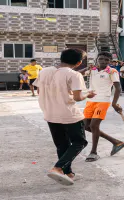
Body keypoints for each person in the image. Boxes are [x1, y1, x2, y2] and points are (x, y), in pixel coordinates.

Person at [33, 49, 96, 185]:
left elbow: (38, 90)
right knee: (80, 142)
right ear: (79, 62)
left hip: (50, 113)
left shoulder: (44, 71)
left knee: (62, 144)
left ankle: (68, 173)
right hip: (69, 115)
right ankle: (58, 168)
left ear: (61, 58)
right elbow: (78, 97)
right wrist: (88, 94)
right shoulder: (74, 75)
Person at [84, 52, 124, 162]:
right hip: (90, 100)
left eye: (106, 60)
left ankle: (93, 152)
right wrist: (87, 67)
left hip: (103, 101)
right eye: (101, 59)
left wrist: (114, 103)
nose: (103, 61)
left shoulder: (112, 72)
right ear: (97, 59)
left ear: (110, 62)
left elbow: (118, 88)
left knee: (94, 125)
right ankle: (116, 142)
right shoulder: (92, 70)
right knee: (85, 126)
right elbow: (78, 74)